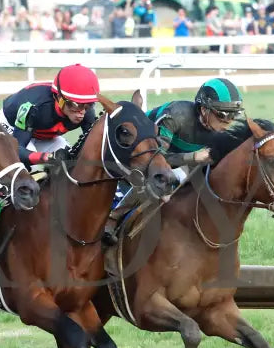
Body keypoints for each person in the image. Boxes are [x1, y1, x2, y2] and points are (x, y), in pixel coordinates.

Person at [104, 78, 245, 243]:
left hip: (176, 162)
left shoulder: (219, 129)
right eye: (222, 115)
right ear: (204, 109)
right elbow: (154, 159)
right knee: (160, 177)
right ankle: (113, 219)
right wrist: (192, 157)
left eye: (233, 116)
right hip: (139, 154)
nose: (227, 122)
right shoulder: (176, 115)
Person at [1, 63, 100, 167]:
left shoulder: (87, 112)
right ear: (59, 98)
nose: (83, 112)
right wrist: (47, 157)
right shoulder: (34, 107)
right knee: (29, 165)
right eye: (77, 104)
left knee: (70, 163)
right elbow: (17, 150)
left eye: (89, 104)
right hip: (13, 127)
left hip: (40, 134)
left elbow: (94, 146)